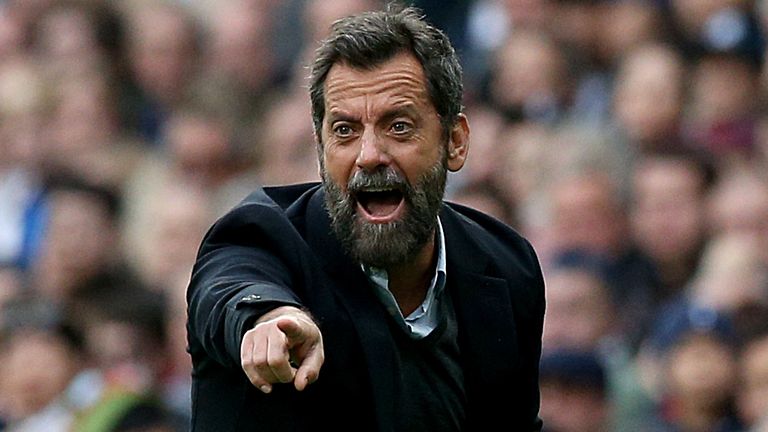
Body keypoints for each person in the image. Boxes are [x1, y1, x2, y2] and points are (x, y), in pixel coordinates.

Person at [186, 6, 545, 431]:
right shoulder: (262, 236)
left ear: (455, 141)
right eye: (344, 131)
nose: (369, 155)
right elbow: (229, 285)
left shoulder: (506, 269)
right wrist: (266, 319)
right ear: (320, 150)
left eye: (398, 126)